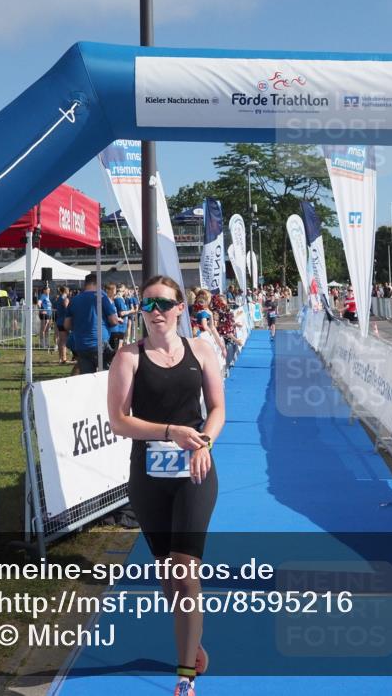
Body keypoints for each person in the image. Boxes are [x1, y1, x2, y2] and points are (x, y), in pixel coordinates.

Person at [107, 275, 225, 696]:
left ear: (179, 308)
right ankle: (192, 639)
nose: (155, 311)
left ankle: (184, 677)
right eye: (147, 304)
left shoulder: (201, 350)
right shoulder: (128, 357)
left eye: (163, 303)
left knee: (185, 571)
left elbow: (217, 408)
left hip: (195, 470)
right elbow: (119, 421)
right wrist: (169, 431)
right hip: (149, 476)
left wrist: (203, 442)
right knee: (169, 578)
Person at [63, 273, 121, 375]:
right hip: (99, 343)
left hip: (81, 344)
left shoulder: (74, 299)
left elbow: (66, 325)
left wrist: (80, 326)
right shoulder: (102, 297)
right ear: (96, 283)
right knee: (106, 376)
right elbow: (113, 320)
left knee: (87, 377)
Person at [53, 286, 70, 364]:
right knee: (63, 340)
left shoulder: (59, 298)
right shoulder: (65, 299)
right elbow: (67, 309)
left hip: (59, 321)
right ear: (66, 291)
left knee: (61, 340)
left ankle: (61, 358)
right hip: (64, 321)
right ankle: (64, 358)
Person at [37, 286, 53, 351]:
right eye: (48, 290)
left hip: (49, 314)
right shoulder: (42, 296)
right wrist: (41, 310)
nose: (49, 291)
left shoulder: (47, 297)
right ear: (44, 290)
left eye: (49, 290)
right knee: (43, 329)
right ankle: (42, 343)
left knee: (47, 329)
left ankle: (46, 342)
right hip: (44, 314)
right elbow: (39, 303)